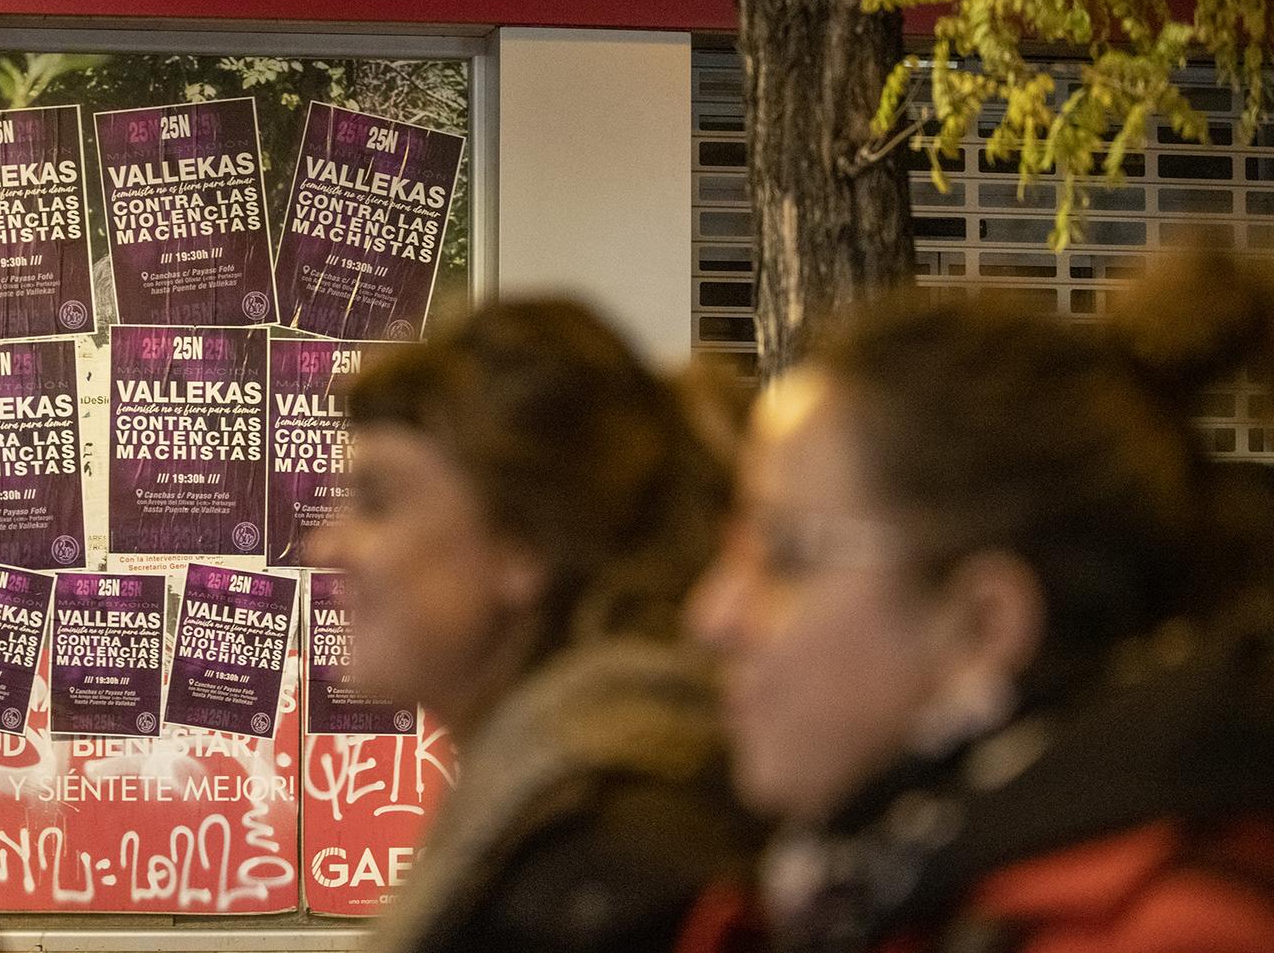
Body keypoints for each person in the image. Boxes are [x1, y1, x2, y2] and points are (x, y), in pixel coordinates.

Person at [681, 248, 1274, 953]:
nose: (710, 617)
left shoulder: (1157, 936)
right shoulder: (860, 887)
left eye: (785, 558)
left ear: (983, 623)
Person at [308, 299, 756, 953]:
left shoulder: (602, 866)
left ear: (521, 542)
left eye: (376, 503)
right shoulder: (555, 810)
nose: (328, 548)